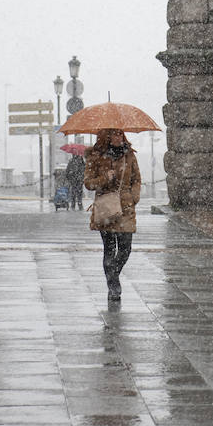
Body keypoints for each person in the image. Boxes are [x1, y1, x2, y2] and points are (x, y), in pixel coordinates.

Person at [85, 129, 142, 301]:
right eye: (114, 134)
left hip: (126, 208)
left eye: (120, 134)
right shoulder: (96, 156)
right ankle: (113, 287)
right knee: (109, 249)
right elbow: (88, 183)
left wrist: (134, 196)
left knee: (125, 248)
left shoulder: (129, 155)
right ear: (106, 137)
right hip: (107, 208)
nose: (118, 137)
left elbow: (137, 179)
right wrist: (104, 178)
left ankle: (113, 275)